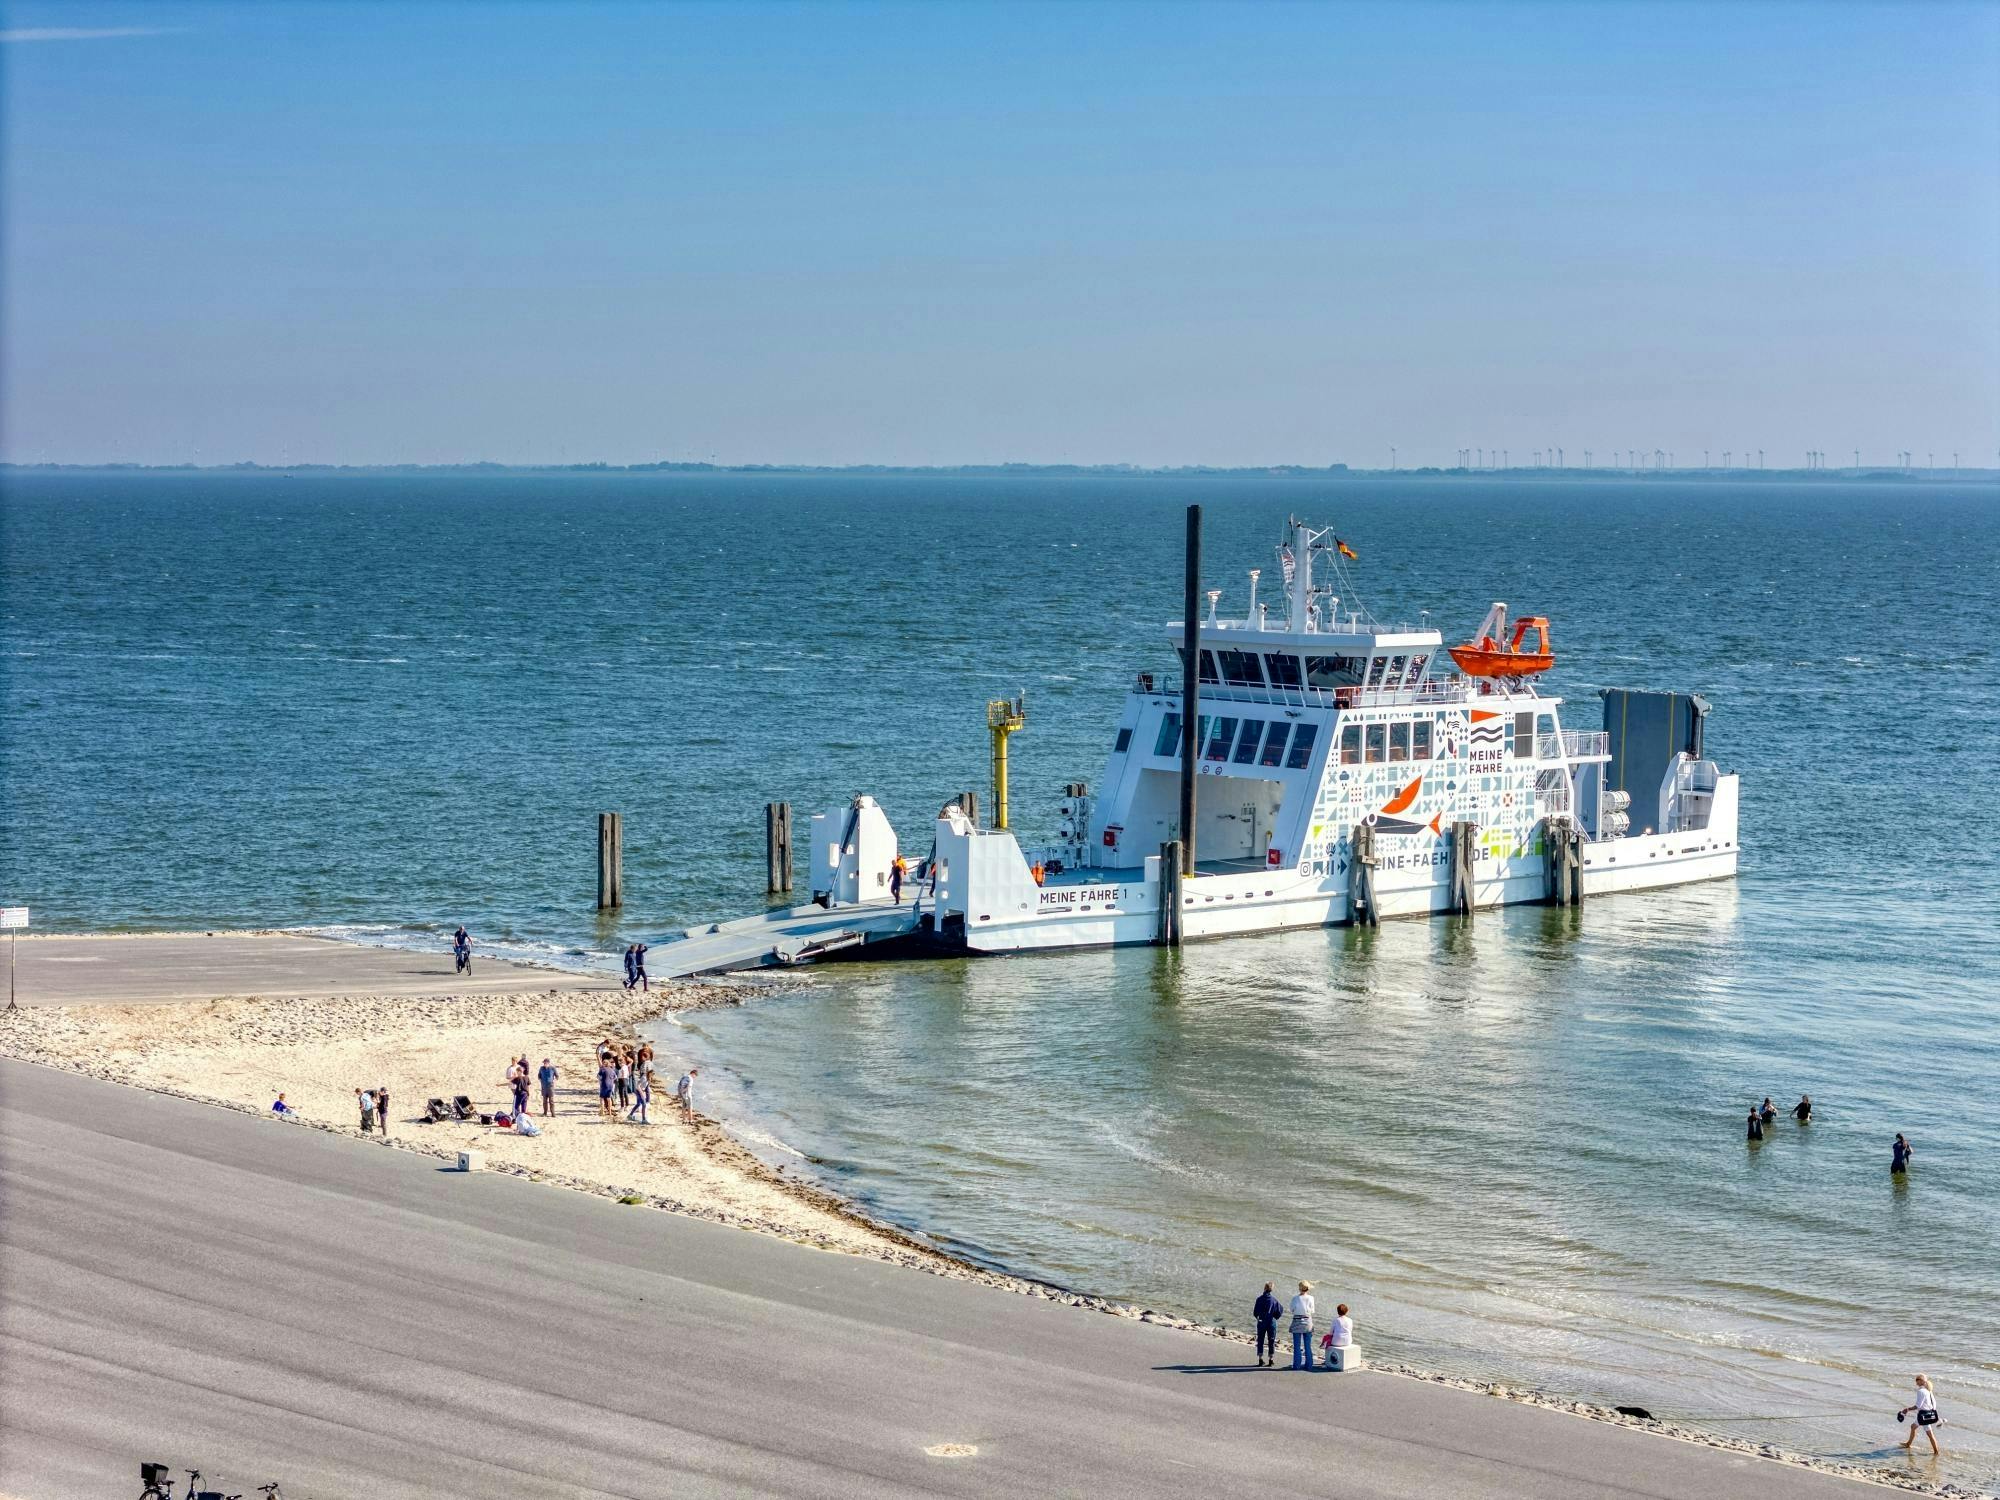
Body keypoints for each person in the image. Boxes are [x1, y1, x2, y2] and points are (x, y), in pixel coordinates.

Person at [1898, 1373, 1943, 1455]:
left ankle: (1936, 1452)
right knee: (1913, 1427)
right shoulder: (1928, 1391)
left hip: (1923, 1416)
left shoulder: (1921, 1391)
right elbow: (1934, 1404)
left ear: (1922, 1381)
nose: (1916, 1382)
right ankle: (1908, 1444)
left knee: (1929, 1434)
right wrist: (1930, 1411)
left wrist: (1907, 1409)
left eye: (1917, 1380)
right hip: (1928, 1414)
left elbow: (1918, 1406)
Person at [1252, 1282, 1284, 1367]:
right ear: (1272, 1289)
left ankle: (1260, 1358)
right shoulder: (1274, 1300)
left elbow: (1255, 1312)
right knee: (1271, 1340)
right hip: (1271, 1321)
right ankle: (1271, 1359)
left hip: (1262, 1321)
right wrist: (1275, 1317)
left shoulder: (1259, 1299)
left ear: (1264, 1288)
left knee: (1260, 1339)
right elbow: (1280, 1310)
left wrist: (1258, 1317)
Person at [1289, 1282, 1316, 1370]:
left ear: (1300, 1288)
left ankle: (1296, 1365)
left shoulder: (1295, 1298)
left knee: (1297, 1346)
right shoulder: (1311, 1298)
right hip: (1307, 1322)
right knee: (1307, 1345)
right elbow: (1312, 1311)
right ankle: (1309, 1365)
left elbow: (1292, 1310)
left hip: (1297, 1321)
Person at [597, 1053, 616, 1119]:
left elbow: (598, 1077)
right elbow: (615, 1077)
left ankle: (602, 1111)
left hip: (604, 1084)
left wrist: (602, 1080)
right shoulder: (612, 1070)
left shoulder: (602, 1069)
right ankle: (610, 1112)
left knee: (602, 1098)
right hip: (611, 1085)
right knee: (609, 1098)